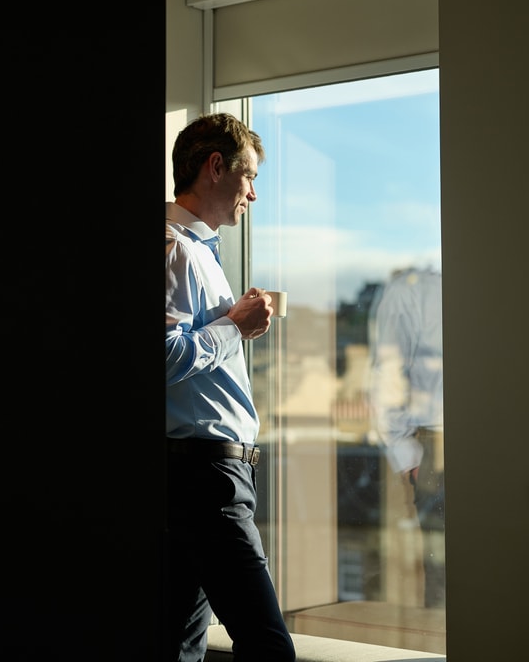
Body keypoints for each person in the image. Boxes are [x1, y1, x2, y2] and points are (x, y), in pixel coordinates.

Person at [165, 112, 296, 662]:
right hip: (206, 479)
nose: (254, 194)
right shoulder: (174, 250)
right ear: (215, 167)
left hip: (202, 475)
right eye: (250, 177)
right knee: (269, 648)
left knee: (177, 649)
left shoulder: (199, 254)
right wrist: (235, 327)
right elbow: (162, 357)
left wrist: (232, 328)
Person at [368, 266, 445, 608]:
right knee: (445, 574)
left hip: (488, 437)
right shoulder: (411, 289)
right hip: (434, 447)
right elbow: (388, 371)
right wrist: (407, 453)